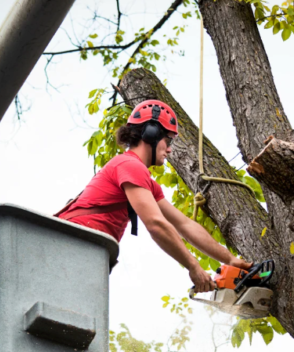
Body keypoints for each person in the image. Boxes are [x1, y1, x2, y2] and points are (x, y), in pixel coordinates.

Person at [57, 99, 252, 293]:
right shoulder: (130, 165)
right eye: (168, 141)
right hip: (69, 244)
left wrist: (230, 259)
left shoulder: (145, 183)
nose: (170, 149)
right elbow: (156, 224)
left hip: (85, 249)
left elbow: (184, 224)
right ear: (151, 134)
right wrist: (193, 266)